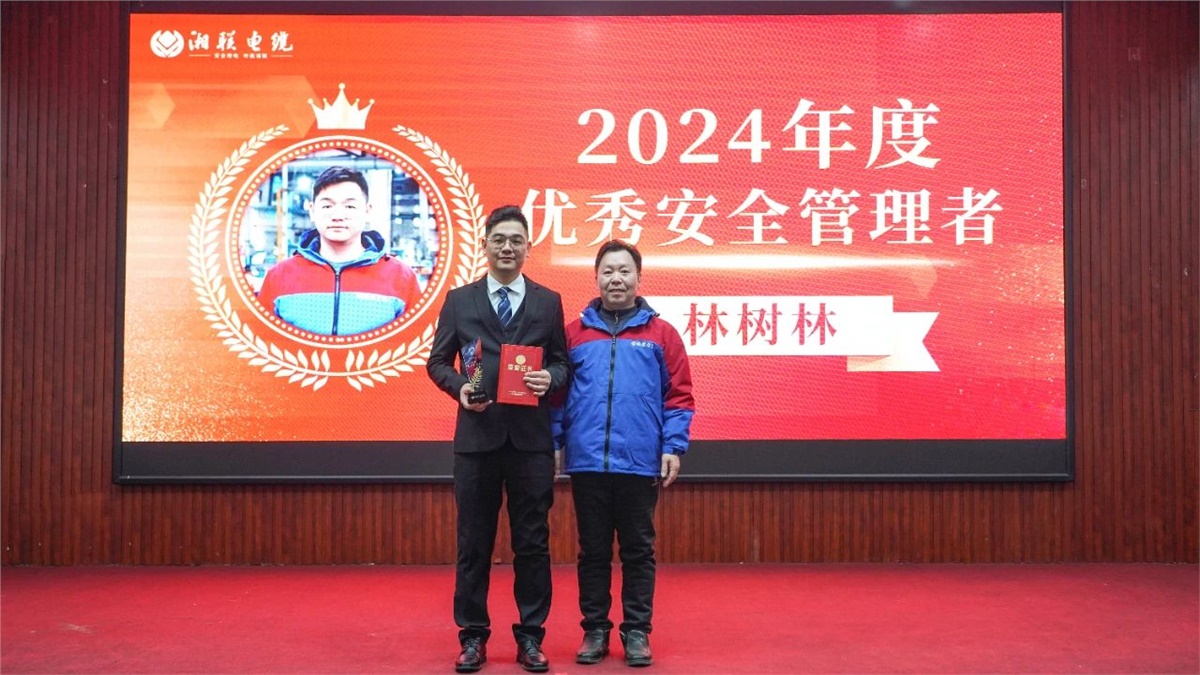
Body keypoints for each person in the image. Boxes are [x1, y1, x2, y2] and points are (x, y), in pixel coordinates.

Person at [426, 205, 571, 674]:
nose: (507, 247)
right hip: (477, 442)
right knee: (474, 544)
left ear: (528, 247)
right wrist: (459, 388)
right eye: (499, 239)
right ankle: (472, 636)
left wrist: (550, 377)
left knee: (533, 543)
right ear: (485, 244)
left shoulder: (548, 302)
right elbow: (437, 362)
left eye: (516, 240)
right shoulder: (459, 301)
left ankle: (531, 636)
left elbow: (563, 362)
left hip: (530, 443)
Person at [552, 240, 695, 668]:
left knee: (638, 550)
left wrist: (673, 447)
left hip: (639, 461)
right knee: (592, 551)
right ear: (596, 278)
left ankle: (637, 632)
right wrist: (555, 442)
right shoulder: (573, 334)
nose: (616, 279)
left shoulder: (662, 335)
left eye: (624, 271)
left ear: (638, 278)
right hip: (588, 461)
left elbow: (679, 397)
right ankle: (595, 630)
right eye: (608, 271)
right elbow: (556, 396)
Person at [257, 166, 422, 336]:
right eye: (327, 206)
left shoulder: (401, 277)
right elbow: (262, 341)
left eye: (349, 206)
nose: (338, 216)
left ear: (367, 211)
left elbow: (417, 342)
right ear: (312, 211)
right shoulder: (279, 276)